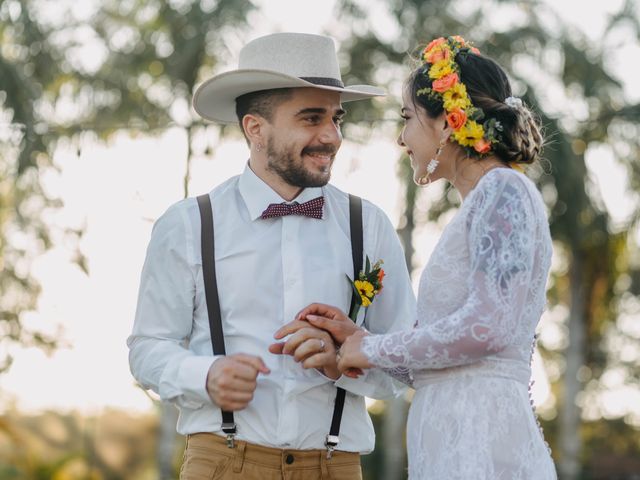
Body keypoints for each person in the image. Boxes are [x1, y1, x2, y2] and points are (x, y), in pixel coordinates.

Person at [127, 32, 415, 480]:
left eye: (336, 118)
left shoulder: (369, 224)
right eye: (311, 118)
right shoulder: (188, 224)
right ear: (255, 128)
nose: (332, 136)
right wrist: (205, 375)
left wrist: (345, 359)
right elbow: (147, 348)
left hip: (335, 465)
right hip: (221, 463)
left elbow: (405, 360)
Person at [287, 36, 558, 479]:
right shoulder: (478, 204)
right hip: (448, 436)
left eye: (407, 118)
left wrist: (370, 346)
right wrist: (356, 339)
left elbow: (487, 327)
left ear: (448, 124)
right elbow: (442, 362)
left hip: (482, 439)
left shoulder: (503, 190)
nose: (400, 138)